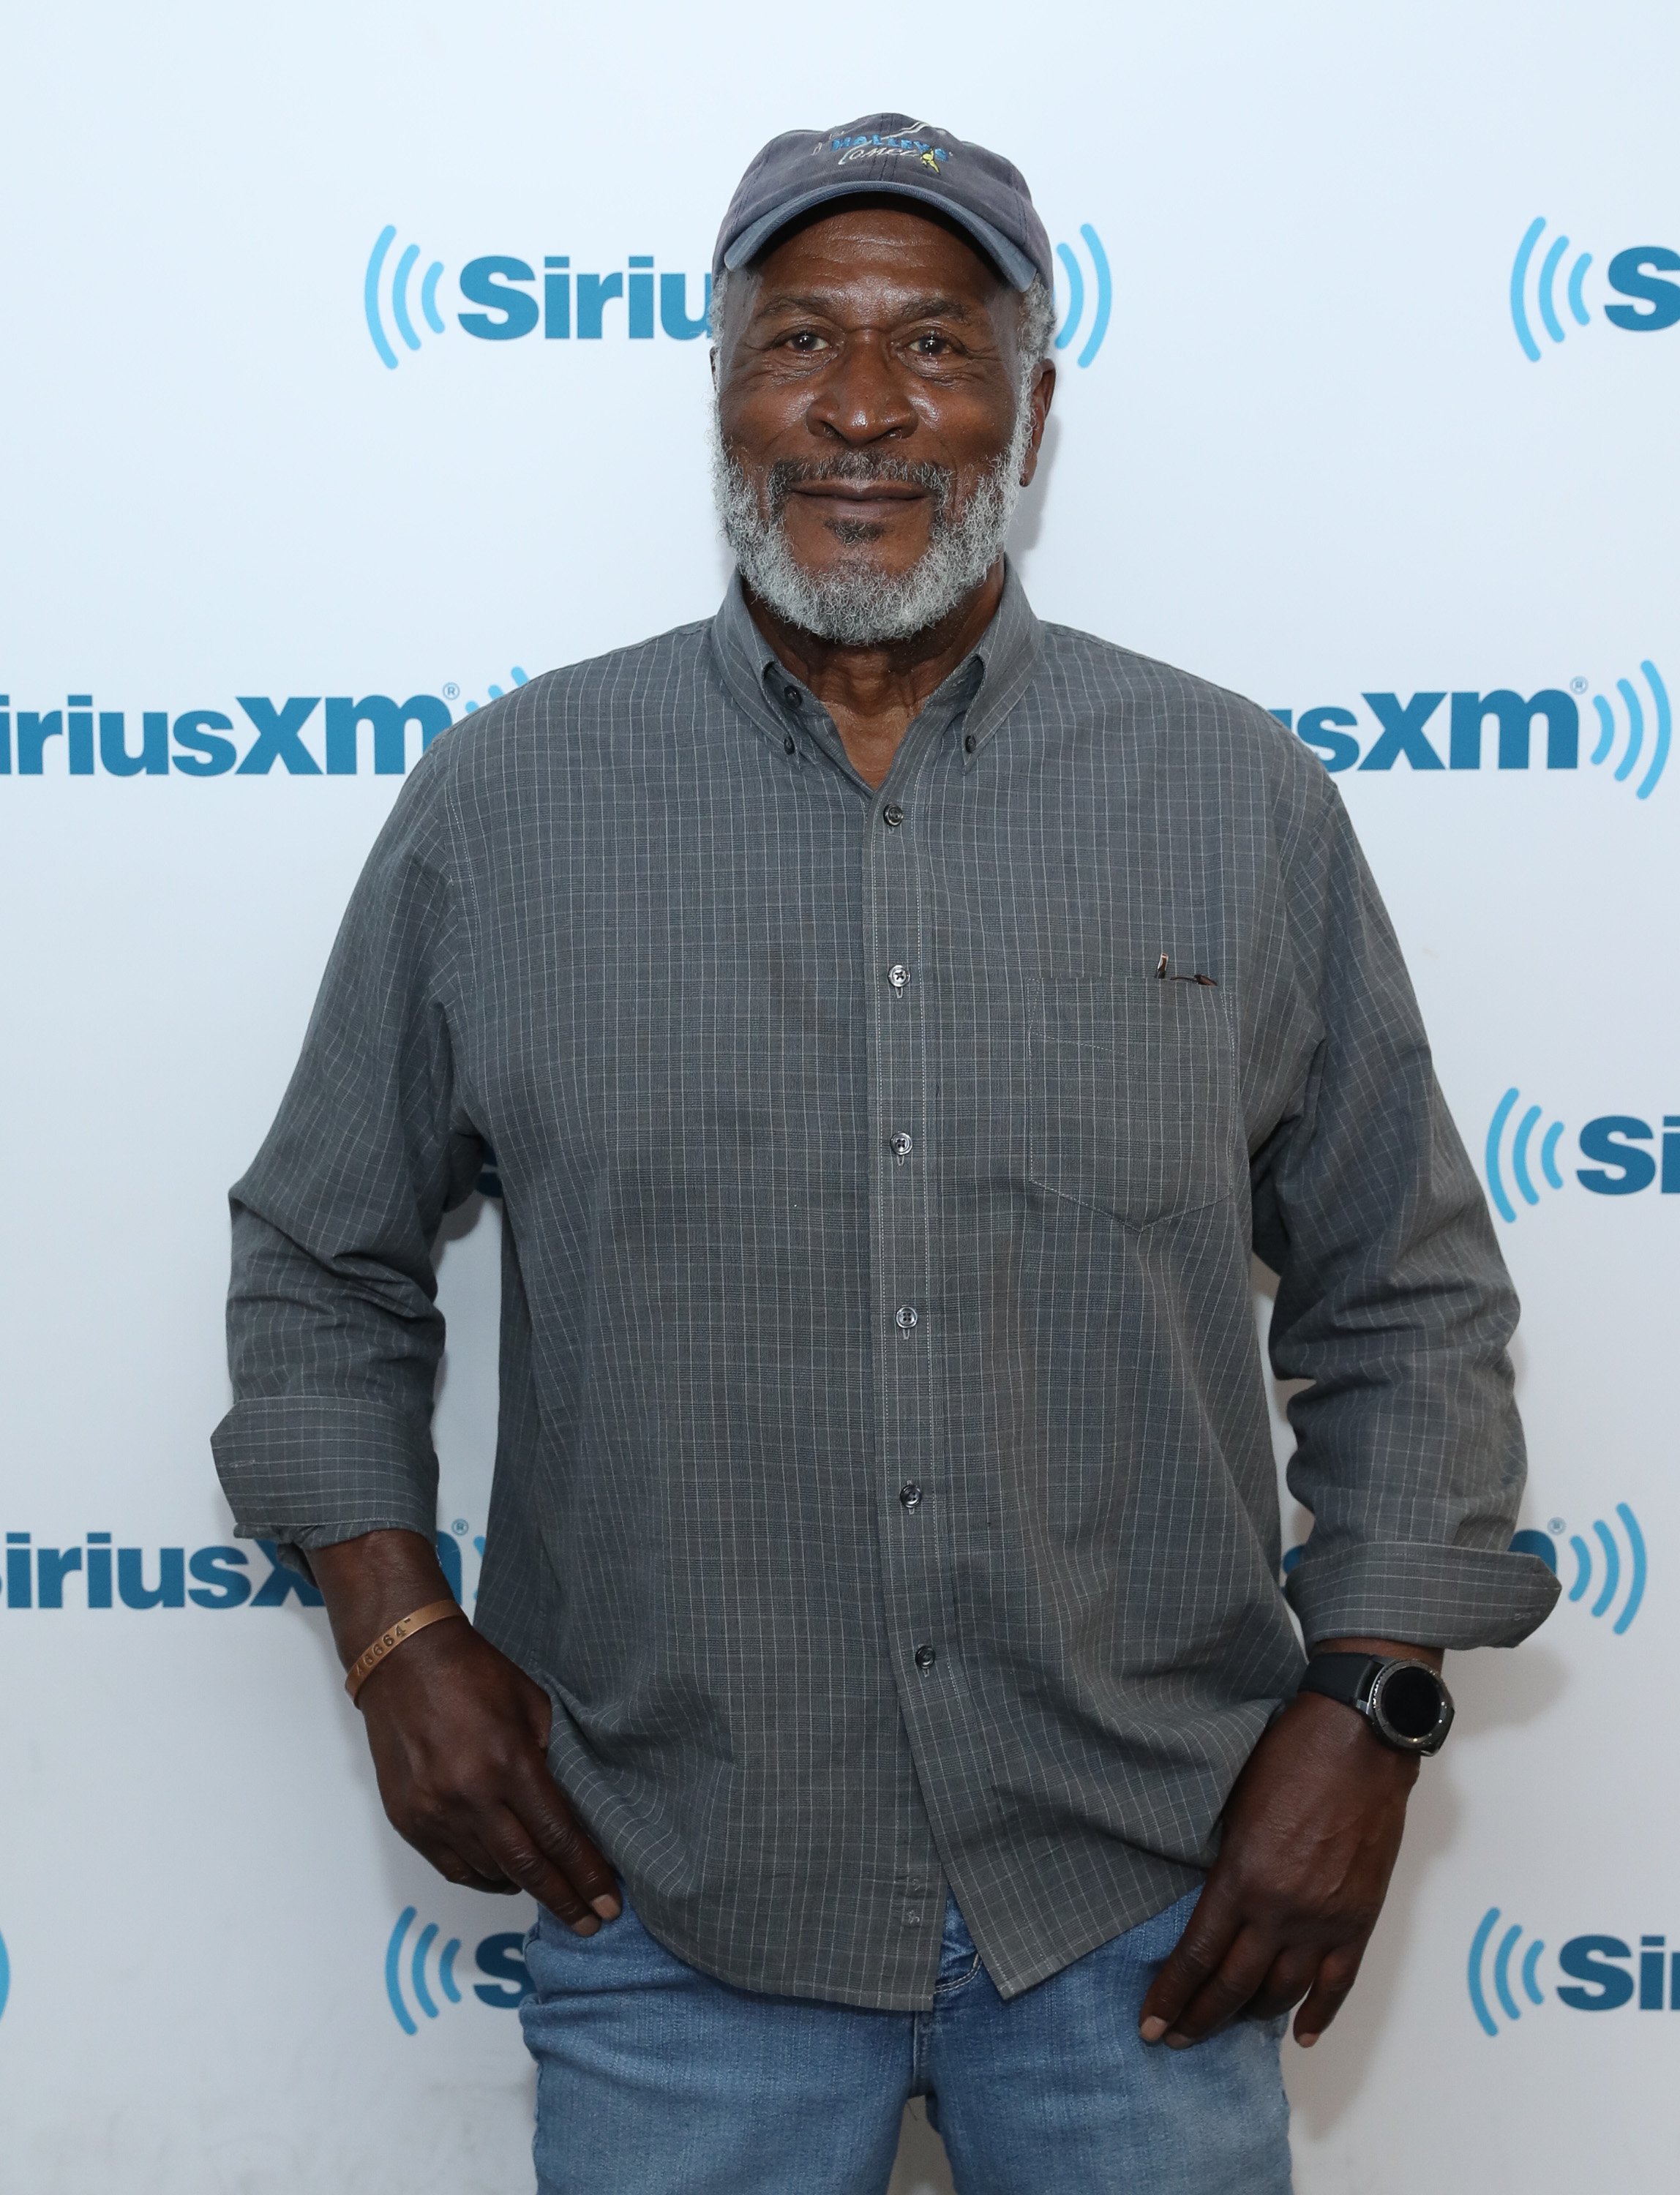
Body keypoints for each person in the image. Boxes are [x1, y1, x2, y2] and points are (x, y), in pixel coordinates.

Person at [213, 113, 1559, 2194]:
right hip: (674, 1901)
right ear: (724, 390)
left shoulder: (1237, 801)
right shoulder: (509, 804)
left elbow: (1410, 1296)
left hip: (1143, 1905)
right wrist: (399, 1635)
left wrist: (1364, 1718)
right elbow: (323, 1257)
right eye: (798, 341)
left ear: (1038, 405)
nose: (859, 410)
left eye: (935, 345)